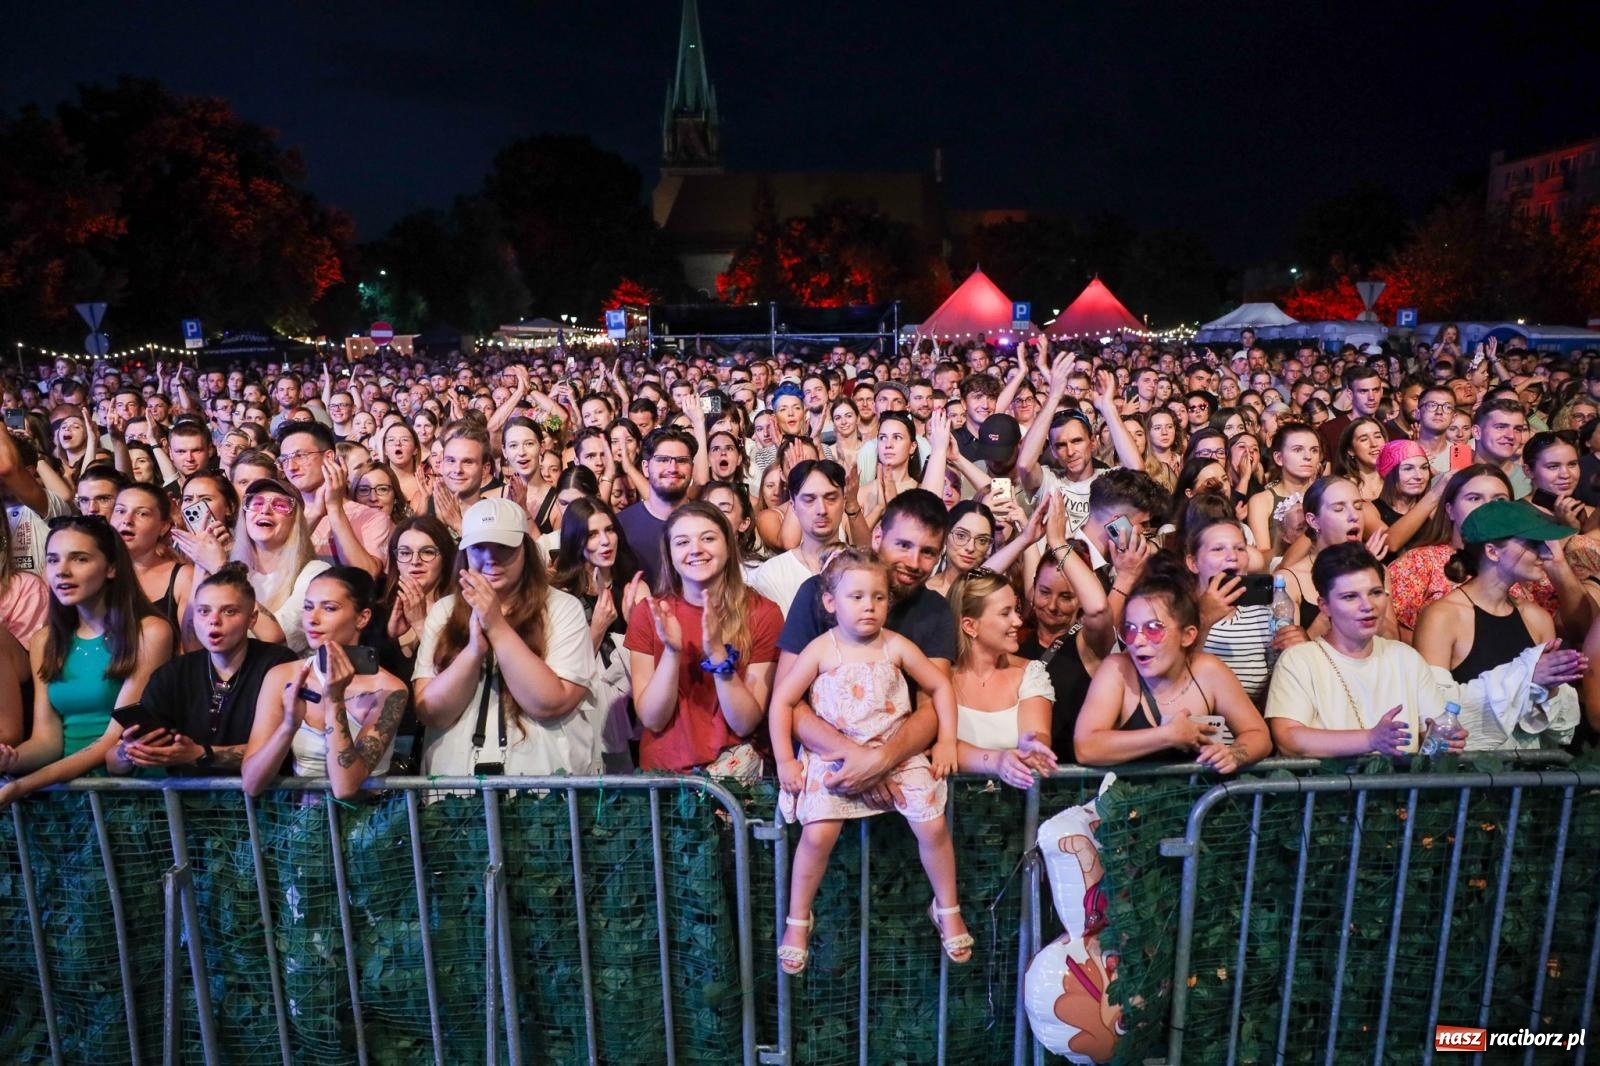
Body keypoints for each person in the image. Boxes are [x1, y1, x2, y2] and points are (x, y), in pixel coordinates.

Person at [769, 549, 970, 973]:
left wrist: (948, 739)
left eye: (878, 598)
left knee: (931, 823)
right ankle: (797, 917)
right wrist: (785, 759)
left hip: (895, 752)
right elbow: (783, 701)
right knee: (819, 834)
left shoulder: (896, 645)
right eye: (856, 597)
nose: (868, 606)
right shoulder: (820, 650)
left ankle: (947, 905)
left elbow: (940, 687)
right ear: (830, 602)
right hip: (834, 756)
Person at [413, 498, 604, 778]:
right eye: (479, 548)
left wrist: (497, 627)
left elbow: (550, 703)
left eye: (503, 547)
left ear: (525, 550)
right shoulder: (444, 610)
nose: (490, 558)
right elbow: (431, 712)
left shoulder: (563, 607)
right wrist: (474, 651)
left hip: (545, 788)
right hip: (455, 789)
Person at [0, 515, 173, 806]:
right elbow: (48, 742)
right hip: (68, 793)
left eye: (79, 559)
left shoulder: (150, 633)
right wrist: (11, 760)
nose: (62, 572)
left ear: (112, 567)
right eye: (53, 560)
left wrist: (21, 786)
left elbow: (110, 741)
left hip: (129, 794)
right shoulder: (45, 640)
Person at [626, 501, 781, 777]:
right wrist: (672, 652)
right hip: (665, 779)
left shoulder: (763, 613)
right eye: (682, 542)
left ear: (728, 545)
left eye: (708, 538)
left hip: (736, 779)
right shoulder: (649, 614)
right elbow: (652, 719)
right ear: (670, 553)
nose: (696, 549)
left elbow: (745, 723)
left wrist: (718, 654)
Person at [1266, 544, 1460, 757]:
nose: (1367, 605)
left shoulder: (1406, 657)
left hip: (1398, 787)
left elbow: (1435, 733)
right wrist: (1370, 739)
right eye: (1350, 597)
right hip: (1329, 787)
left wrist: (1447, 740)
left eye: (1376, 592)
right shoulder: (1299, 660)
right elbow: (1289, 739)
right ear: (1324, 606)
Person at [109, 563, 297, 776]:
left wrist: (199, 753)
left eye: (229, 611)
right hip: (188, 804)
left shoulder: (278, 663)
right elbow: (112, 764)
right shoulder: (174, 673)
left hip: (265, 802)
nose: (214, 621)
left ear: (252, 618)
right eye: (203, 611)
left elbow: (280, 749)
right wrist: (130, 752)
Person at [242, 566, 409, 798]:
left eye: (329, 608)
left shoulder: (390, 690)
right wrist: (288, 726)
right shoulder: (282, 676)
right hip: (302, 826)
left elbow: (344, 787)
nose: (313, 618)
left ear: (362, 617)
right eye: (308, 607)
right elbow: (251, 783)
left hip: (367, 826)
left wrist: (335, 699)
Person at [1074, 574, 1270, 770]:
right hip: (1126, 797)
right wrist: (1167, 735)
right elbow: (1086, 748)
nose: (1138, 641)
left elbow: (1258, 734)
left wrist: (1234, 754)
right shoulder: (1117, 670)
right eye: (1130, 630)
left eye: (1153, 629)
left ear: (1187, 635)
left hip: (1192, 797)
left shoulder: (1208, 671)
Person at [548, 496, 650, 772]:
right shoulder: (560, 594)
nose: (605, 541)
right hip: (582, 717)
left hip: (631, 710)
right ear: (575, 540)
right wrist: (598, 627)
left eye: (609, 530)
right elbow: (562, 670)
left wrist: (634, 624)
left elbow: (652, 662)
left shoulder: (634, 588)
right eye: (593, 534)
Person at [947, 570, 1060, 787]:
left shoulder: (1031, 673)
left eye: (1016, 610)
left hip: (1013, 809)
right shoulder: (940, 676)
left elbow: (1038, 734)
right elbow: (941, 745)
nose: (1018, 621)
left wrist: (1032, 748)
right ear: (970, 626)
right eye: (1005, 613)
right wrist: (996, 761)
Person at [748, 459, 857, 616]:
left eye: (831, 498)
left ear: (844, 500)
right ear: (793, 505)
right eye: (809, 499)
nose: (822, 510)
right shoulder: (772, 573)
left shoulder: (866, 567)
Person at [232, 478, 329, 653]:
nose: (265, 510)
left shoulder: (316, 574)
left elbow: (274, 637)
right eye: (257, 503)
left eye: (280, 505)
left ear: (295, 521)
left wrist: (219, 567)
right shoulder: (236, 570)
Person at [111, 484, 194, 644]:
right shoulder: (95, 572)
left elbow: (191, 651)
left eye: (142, 514)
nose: (127, 521)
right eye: (120, 511)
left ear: (163, 526)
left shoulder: (183, 578)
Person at [619, 428, 698, 588]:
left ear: (692, 468)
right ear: (646, 468)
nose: (673, 468)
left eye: (682, 460)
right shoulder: (620, 524)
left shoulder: (708, 523)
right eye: (662, 460)